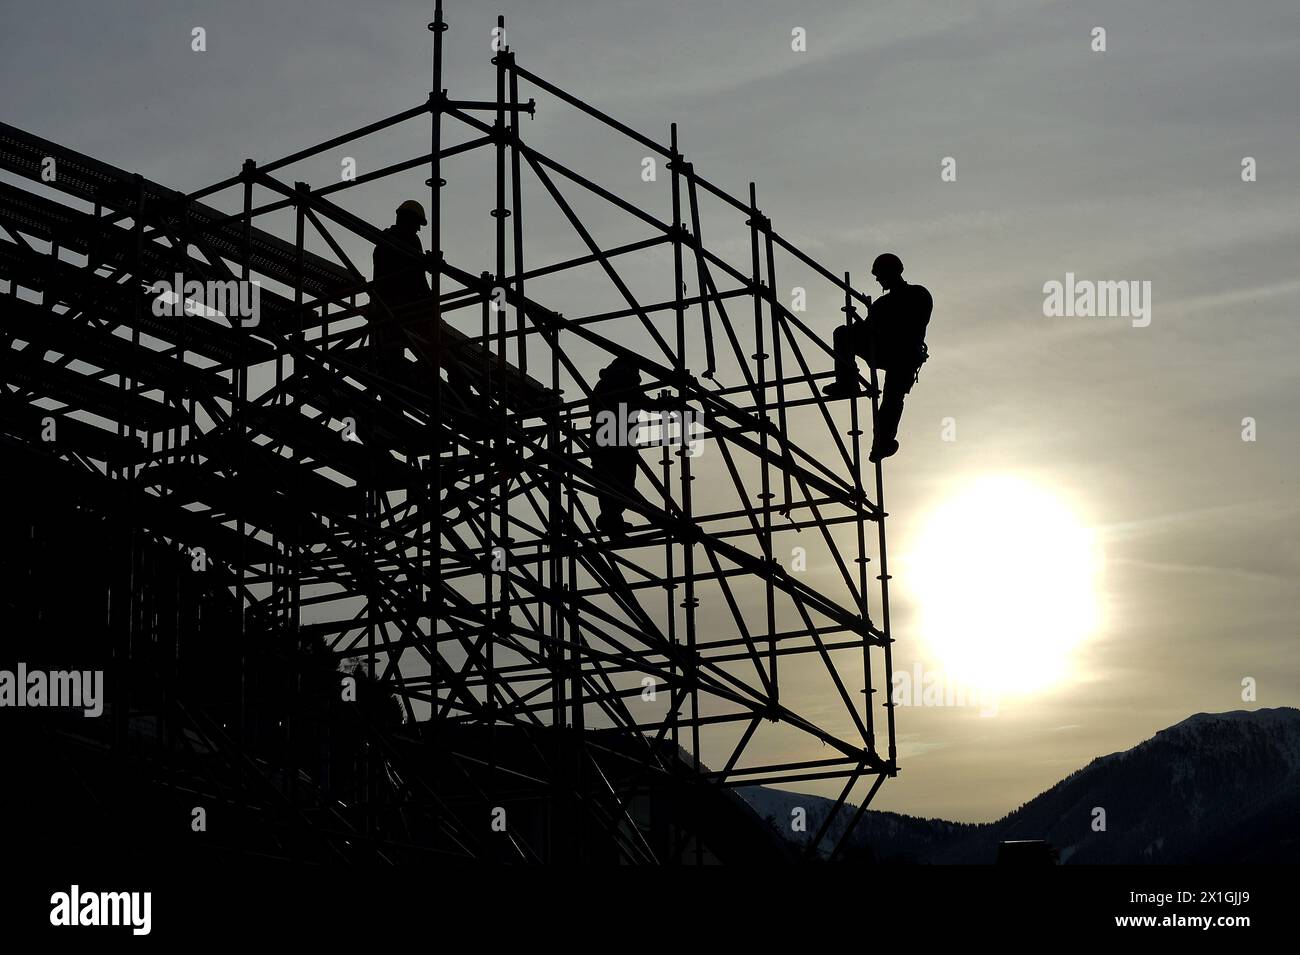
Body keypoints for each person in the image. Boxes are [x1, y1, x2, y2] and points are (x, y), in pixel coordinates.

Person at [822, 252, 931, 462]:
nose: (878, 279)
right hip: (884, 350)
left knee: (892, 398)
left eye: (879, 274)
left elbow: (913, 325)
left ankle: (881, 444)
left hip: (903, 355)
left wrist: (881, 326)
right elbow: (864, 328)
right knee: (843, 334)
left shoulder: (917, 294)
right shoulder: (883, 303)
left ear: (891, 272)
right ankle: (847, 382)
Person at [589, 355, 683, 536]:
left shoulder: (604, 383)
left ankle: (612, 521)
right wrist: (666, 404)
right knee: (622, 483)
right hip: (618, 442)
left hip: (602, 440)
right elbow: (644, 403)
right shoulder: (624, 380)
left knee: (608, 483)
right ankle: (613, 522)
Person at [370, 199, 432, 368]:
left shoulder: (383, 241)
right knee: (433, 349)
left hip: (383, 307)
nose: (418, 229)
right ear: (407, 219)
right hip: (401, 307)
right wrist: (432, 301)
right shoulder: (409, 240)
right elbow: (417, 278)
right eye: (417, 223)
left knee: (388, 357)